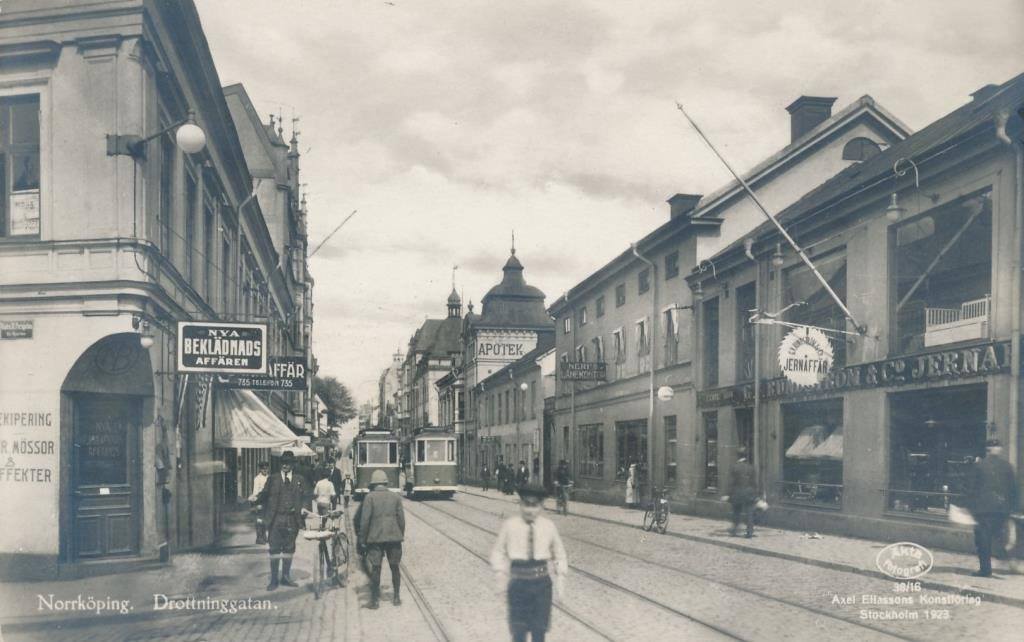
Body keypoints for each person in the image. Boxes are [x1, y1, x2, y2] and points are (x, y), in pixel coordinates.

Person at [491, 483, 568, 642]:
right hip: (518, 585)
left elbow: (559, 554)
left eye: (534, 505)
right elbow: (498, 551)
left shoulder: (548, 526)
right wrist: (500, 575)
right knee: (518, 632)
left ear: (541, 506)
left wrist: (560, 580)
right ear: (520, 504)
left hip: (541, 586)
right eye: (526, 504)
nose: (529, 510)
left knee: (539, 631)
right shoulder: (510, 525)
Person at [967, 438, 1018, 577]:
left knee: (983, 540)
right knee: (1002, 537)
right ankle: (1011, 562)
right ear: (999, 450)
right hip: (1002, 509)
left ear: (987, 450)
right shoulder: (1007, 466)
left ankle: (986, 570)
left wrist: (969, 507)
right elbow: (1013, 489)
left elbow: (972, 489)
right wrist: (1013, 508)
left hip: (983, 509)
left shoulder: (979, 466)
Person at [258, 451, 309, 591]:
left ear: (292, 464)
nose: (285, 465)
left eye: (288, 462)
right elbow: (264, 495)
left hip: (292, 519)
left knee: (289, 548)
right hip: (276, 519)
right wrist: (254, 500)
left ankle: (286, 577)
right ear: (280, 464)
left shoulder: (300, 479)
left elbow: (306, 496)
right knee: (274, 549)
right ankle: (274, 580)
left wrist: (304, 508)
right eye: (283, 462)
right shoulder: (273, 479)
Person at [357, 469, 406, 608]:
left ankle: (374, 601)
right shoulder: (395, 497)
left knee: (376, 568)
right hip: (394, 537)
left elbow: (364, 521)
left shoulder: (369, 498)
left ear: (373, 483)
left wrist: (362, 540)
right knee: (395, 567)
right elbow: (401, 520)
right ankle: (396, 597)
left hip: (375, 538)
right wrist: (399, 534)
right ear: (386, 483)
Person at [724, 448, 758, 538]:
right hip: (749, 493)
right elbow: (754, 483)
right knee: (749, 513)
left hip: (737, 493)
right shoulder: (751, 467)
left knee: (736, 512)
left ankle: (734, 531)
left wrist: (727, 494)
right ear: (746, 456)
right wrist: (756, 495)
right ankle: (749, 532)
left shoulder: (734, 467)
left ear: (738, 456)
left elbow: (731, 482)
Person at [249, 462, 270, 544]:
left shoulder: (269, 478)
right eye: (263, 468)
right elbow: (255, 492)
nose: (265, 470)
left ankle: (264, 536)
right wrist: (257, 503)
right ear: (260, 469)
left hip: (267, 501)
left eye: (266, 468)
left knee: (265, 519)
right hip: (260, 500)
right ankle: (259, 538)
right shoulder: (257, 479)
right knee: (259, 519)